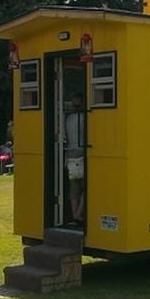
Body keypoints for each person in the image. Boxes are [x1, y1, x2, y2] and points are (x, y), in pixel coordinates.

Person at [65, 92, 85, 226]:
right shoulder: (84, 118)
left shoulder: (69, 119)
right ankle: (79, 213)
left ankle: (73, 215)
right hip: (82, 152)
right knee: (87, 187)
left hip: (70, 154)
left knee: (74, 187)